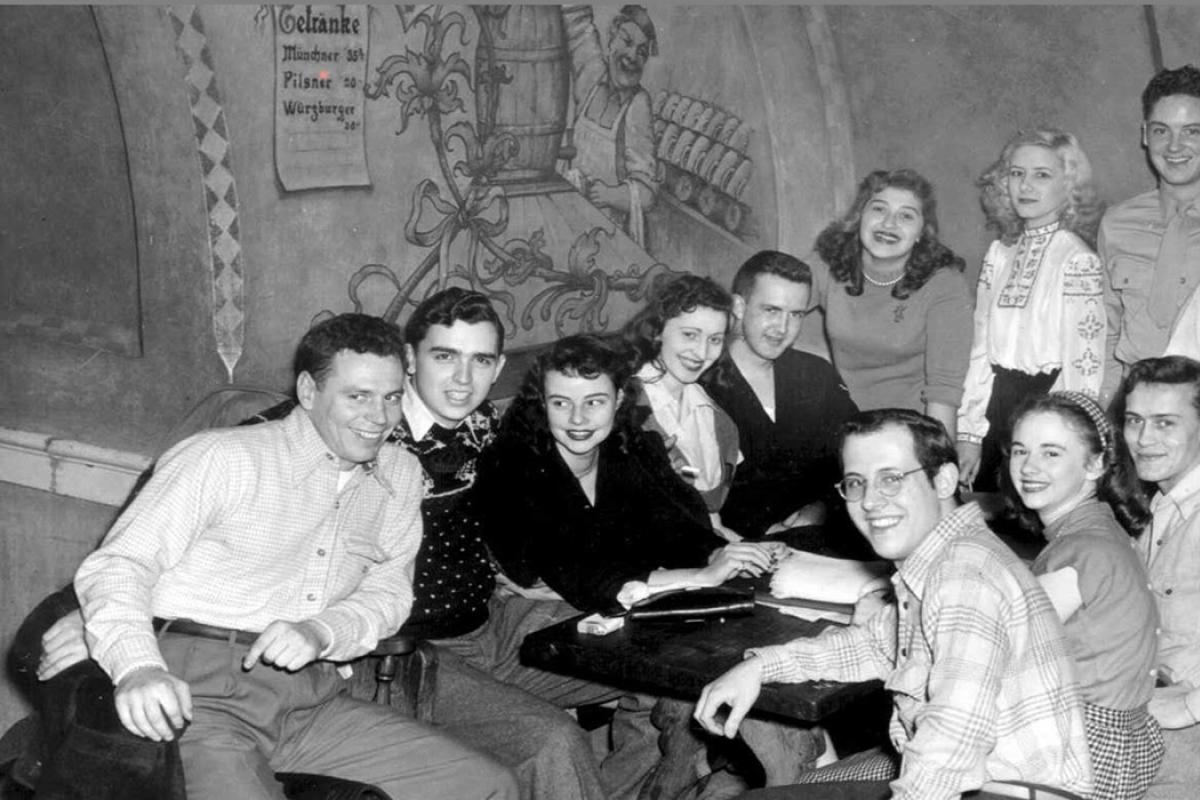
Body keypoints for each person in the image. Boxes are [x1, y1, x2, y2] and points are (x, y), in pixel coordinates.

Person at [37, 290, 606, 800]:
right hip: (200, 689)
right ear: (308, 390)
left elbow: (389, 591)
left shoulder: (401, 472)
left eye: (388, 399)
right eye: (357, 396)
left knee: (490, 786)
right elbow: (119, 564)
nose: (377, 419)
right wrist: (134, 663)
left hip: (310, 697)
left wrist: (322, 630)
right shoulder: (224, 457)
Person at [693, 408, 1094, 800]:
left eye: (891, 479)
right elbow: (871, 645)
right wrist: (761, 666)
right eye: (856, 482)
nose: (869, 501)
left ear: (944, 480)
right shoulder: (941, 560)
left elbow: (953, 740)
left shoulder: (964, 575)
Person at [478, 332, 788, 799]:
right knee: (678, 681)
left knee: (686, 677)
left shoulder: (633, 446)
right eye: (561, 403)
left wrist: (719, 554)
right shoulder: (517, 462)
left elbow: (678, 524)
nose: (578, 419)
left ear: (619, 397)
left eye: (595, 401)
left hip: (593, 607)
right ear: (541, 403)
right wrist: (700, 575)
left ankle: (645, 785)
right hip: (525, 628)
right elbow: (583, 576)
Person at [1006, 391, 1163, 799]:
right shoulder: (1098, 529)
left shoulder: (1083, 550)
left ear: (1095, 464)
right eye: (1020, 450)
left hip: (1083, 757)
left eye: (1052, 453)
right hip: (1113, 743)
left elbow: (991, 651)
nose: (1029, 467)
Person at [958, 128, 1106, 492]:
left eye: (1042, 175)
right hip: (994, 409)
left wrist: (1059, 441)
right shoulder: (999, 254)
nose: (1026, 186)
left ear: (1068, 185)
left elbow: (1084, 370)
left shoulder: (1077, 259)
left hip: (1047, 411)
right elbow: (979, 347)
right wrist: (970, 431)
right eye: (1016, 173)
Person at [700, 250, 864, 551]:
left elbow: (856, 455)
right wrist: (764, 530)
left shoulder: (816, 375)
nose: (782, 328)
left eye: (796, 314)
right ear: (738, 306)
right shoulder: (702, 383)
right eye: (771, 310)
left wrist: (821, 508)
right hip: (734, 550)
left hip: (823, 540)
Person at [806, 169, 973, 438]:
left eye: (906, 215)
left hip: (909, 431)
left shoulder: (944, 284)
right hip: (845, 423)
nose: (889, 223)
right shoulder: (828, 262)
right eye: (878, 209)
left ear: (922, 232)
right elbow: (776, 299)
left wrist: (938, 465)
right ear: (860, 215)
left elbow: (943, 392)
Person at [1116, 355, 1200, 799]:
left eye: (1165, 423)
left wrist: (1189, 706)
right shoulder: (1156, 509)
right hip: (1144, 709)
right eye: (1134, 420)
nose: (1144, 439)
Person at [1100, 65, 1200, 406]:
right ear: (1145, 135)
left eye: (1191, 131)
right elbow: (1105, 329)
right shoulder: (1117, 224)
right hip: (1135, 407)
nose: (1174, 146)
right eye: (1161, 131)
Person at [623, 273, 742, 539]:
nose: (701, 353)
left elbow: (712, 521)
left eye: (714, 340)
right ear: (657, 331)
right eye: (690, 335)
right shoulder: (625, 406)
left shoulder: (713, 414)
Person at [563, 4, 659, 247]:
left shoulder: (638, 105)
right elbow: (577, 26)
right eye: (626, 41)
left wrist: (609, 195)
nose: (632, 56)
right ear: (611, 40)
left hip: (610, 235)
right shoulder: (593, 77)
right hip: (573, 218)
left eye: (642, 52)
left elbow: (647, 194)